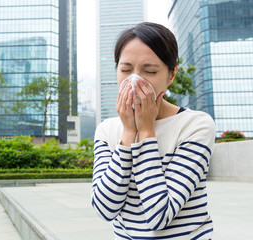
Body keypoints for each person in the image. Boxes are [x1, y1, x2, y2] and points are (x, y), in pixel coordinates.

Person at [91, 22, 215, 239]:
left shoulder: (195, 125)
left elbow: (159, 216)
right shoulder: (107, 130)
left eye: (149, 71)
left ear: (171, 75)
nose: (134, 80)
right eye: (126, 70)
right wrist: (129, 134)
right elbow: (104, 209)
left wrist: (146, 131)